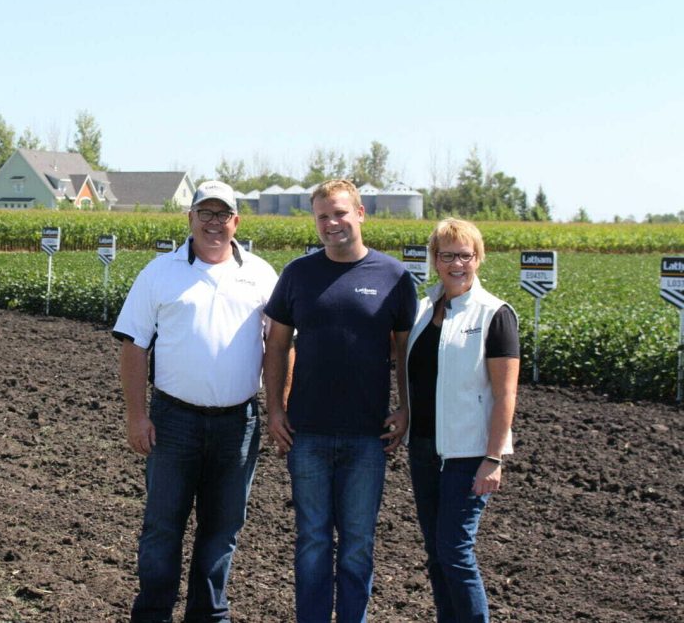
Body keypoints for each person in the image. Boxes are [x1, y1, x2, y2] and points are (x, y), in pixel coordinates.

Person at [113, 180, 279, 622]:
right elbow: (133, 345)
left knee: (222, 530)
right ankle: (152, 614)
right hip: (174, 422)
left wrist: (280, 407)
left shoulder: (261, 275)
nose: (213, 223)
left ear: (236, 222)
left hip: (238, 425)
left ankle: (209, 615)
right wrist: (136, 416)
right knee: (163, 527)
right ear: (189, 218)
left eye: (222, 214)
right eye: (204, 213)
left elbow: (282, 346)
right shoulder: (159, 273)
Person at [263, 179, 417, 623]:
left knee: (357, 544)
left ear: (361, 213)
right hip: (306, 432)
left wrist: (405, 407)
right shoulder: (298, 274)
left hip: (367, 438)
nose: (332, 223)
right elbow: (276, 344)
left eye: (339, 213)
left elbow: (404, 350)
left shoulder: (393, 277)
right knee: (312, 540)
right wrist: (275, 408)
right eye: (322, 216)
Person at [403, 218, 519, 623]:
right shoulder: (423, 310)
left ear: (478, 258)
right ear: (434, 260)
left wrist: (495, 457)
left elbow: (506, 393)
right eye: (447, 255)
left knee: (455, 549)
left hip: (468, 453)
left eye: (465, 255)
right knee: (436, 552)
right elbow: (413, 378)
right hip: (423, 450)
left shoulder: (495, 314)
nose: (457, 264)